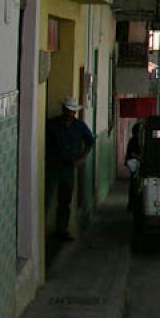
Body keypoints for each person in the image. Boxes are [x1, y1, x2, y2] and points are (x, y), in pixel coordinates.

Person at [45, 97, 94, 241]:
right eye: (68, 110)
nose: (70, 114)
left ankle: (62, 229)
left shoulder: (80, 126)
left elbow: (90, 141)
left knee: (65, 200)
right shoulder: (51, 125)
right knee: (46, 198)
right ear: (63, 110)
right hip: (52, 166)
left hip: (69, 167)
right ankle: (40, 230)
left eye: (72, 111)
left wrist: (82, 158)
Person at [125, 122, 142, 211]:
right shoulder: (134, 140)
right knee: (134, 185)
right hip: (134, 165)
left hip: (135, 165)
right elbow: (132, 153)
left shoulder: (136, 140)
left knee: (134, 185)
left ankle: (131, 204)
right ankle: (132, 204)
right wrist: (139, 157)